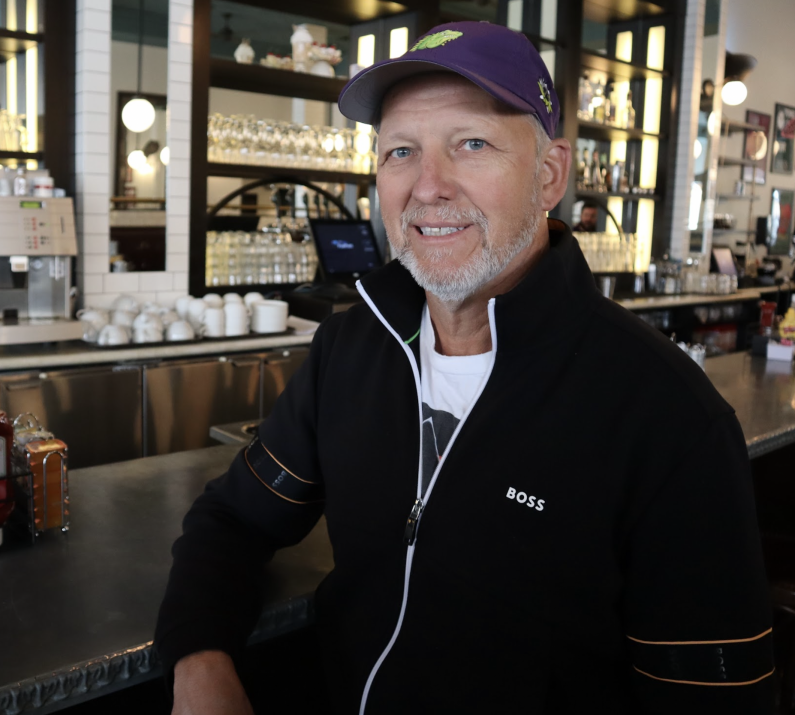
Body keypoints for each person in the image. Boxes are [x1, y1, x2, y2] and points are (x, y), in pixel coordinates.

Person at [156, 21, 773, 714]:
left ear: (549, 175)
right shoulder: (353, 347)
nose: (428, 186)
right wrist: (201, 663)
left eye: (471, 144)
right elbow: (234, 519)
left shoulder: (666, 415)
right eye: (400, 152)